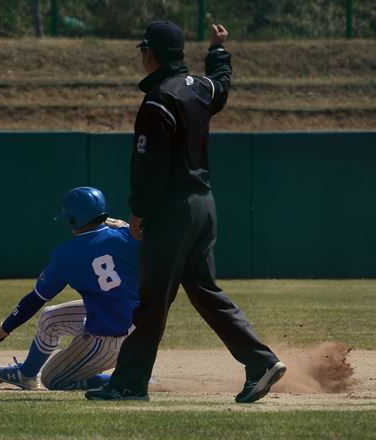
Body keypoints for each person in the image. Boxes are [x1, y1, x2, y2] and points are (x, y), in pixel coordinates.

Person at [85, 21, 286, 403]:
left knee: (152, 300)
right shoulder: (201, 87)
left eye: (143, 50)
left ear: (151, 54)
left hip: (173, 209)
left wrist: (139, 212)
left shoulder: (159, 98)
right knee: (205, 291)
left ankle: (128, 382)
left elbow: (151, 166)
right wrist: (218, 52)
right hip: (204, 205)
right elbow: (221, 84)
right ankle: (260, 362)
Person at [0, 187, 139, 391]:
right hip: (138, 324)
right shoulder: (129, 235)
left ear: (74, 219)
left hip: (109, 339)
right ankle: (25, 375)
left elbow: (36, 298)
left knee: (53, 380)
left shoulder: (67, 255)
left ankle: (132, 378)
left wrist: (5, 328)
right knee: (51, 319)